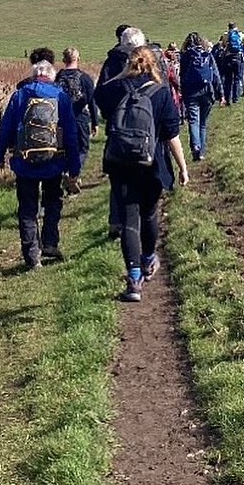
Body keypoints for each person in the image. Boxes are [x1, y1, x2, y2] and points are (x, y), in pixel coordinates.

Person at [94, 46, 189, 302]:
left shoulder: (114, 88)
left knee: (128, 219)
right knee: (148, 213)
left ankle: (134, 279)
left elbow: (99, 99)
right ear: (153, 64)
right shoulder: (160, 92)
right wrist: (182, 167)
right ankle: (148, 259)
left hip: (120, 163)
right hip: (153, 164)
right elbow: (172, 135)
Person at [0, 60, 80, 269]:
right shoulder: (60, 96)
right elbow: (70, 133)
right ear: (51, 76)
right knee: (52, 202)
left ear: (33, 75)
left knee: (27, 209)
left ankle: (32, 256)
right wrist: (74, 167)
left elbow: (5, 128)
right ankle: (50, 242)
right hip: (54, 161)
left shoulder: (20, 95)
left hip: (24, 162)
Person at [97, 26, 147, 239]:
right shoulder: (145, 61)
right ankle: (141, 222)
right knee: (142, 176)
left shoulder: (111, 61)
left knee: (117, 180)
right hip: (143, 131)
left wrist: (111, 115)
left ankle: (116, 222)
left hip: (116, 130)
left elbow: (100, 94)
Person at [179, 32, 225, 161]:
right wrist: (221, 94)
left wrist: (182, 90)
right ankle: (202, 151)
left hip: (190, 93)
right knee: (203, 123)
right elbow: (215, 75)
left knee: (193, 120)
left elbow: (181, 76)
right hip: (207, 91)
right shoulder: (207, 54)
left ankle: (196, 147)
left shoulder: (185, 56)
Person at [55, 47, 98, 170]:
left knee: (63, 148)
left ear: (64, 60)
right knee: (82, 148)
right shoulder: (85, 78)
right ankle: (74, 173)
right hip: (80, 118)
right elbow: (91, 101)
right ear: (78, 58)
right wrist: (95, 122)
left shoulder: (58, 78)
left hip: (61, 119)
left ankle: (66, 172)